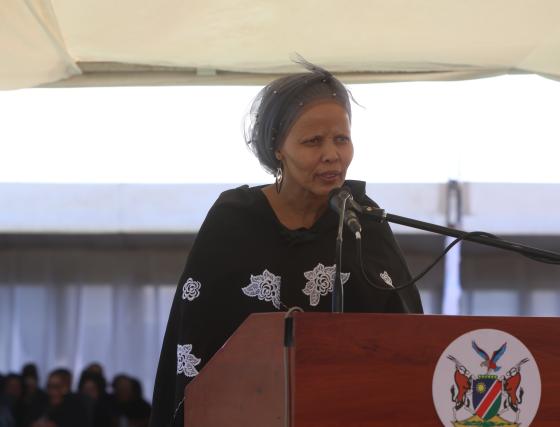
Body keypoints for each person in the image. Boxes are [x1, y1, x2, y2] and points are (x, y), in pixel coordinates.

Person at [150, 59, 423, 427]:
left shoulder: (362, 221)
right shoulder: (233, 221)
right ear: (277, 146)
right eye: (313, 141)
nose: (332, 154)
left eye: (341, 139)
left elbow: (407, 340)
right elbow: (194, 343)